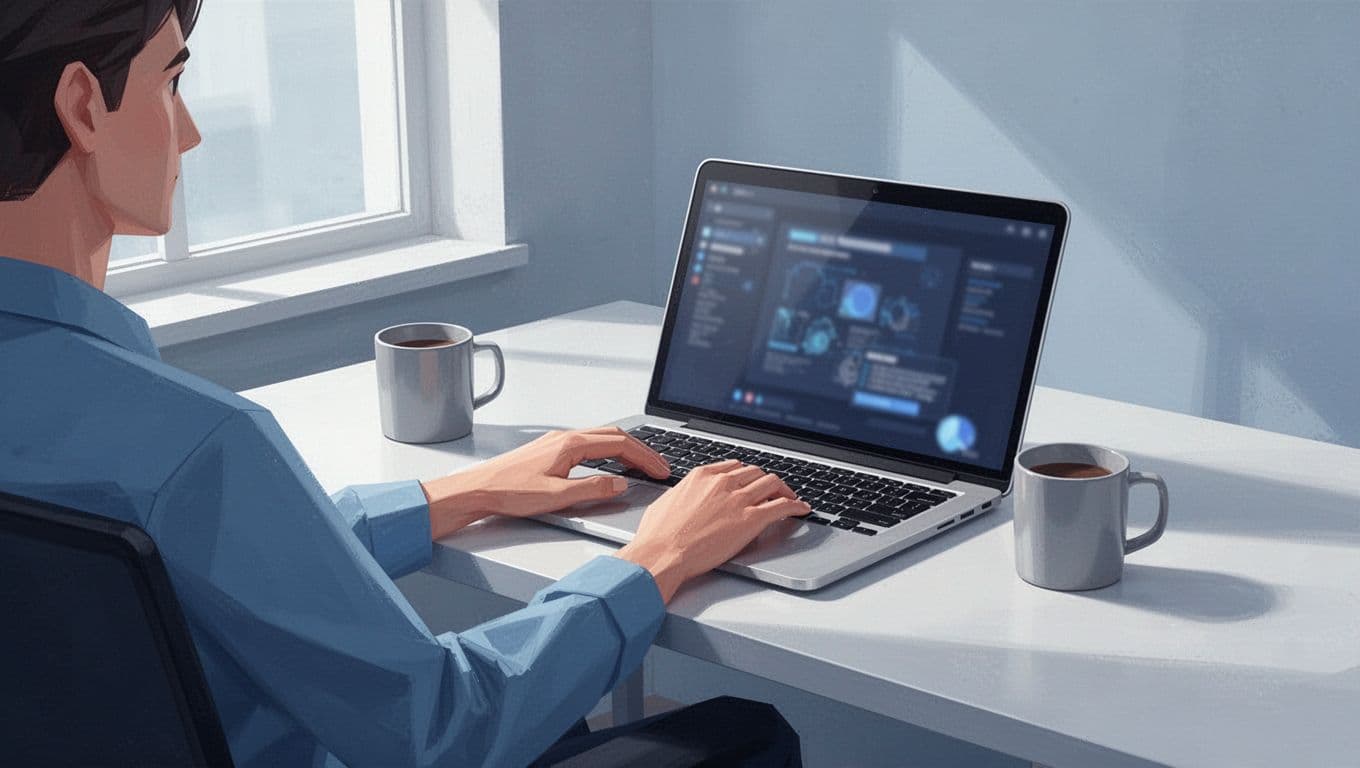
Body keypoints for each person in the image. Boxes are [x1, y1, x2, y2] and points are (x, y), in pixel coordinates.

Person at [0, 2, 807, 766]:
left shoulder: (141, 450)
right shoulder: (197, 445)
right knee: (744, 732)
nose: (192, 132)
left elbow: (222, 576)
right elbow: (444, 734)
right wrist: (659, 556)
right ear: (81, 105)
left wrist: (458, 494)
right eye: (171, 81)